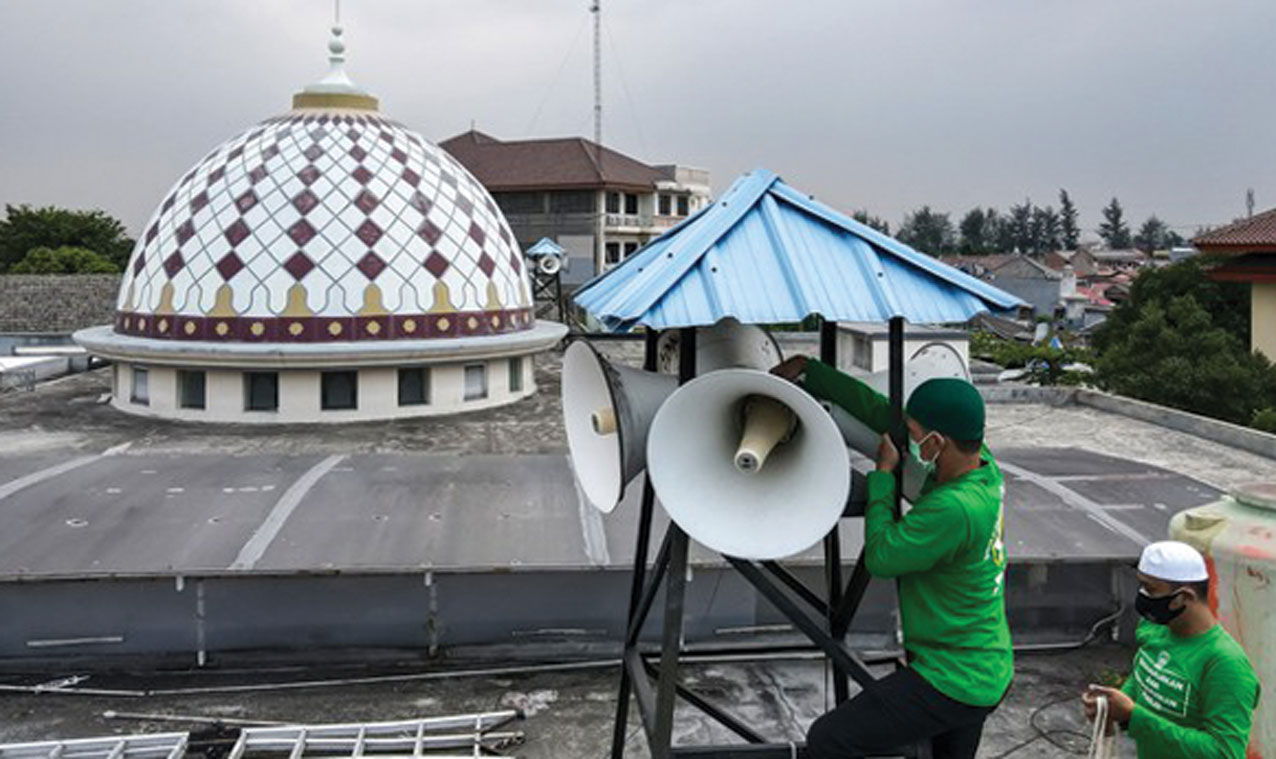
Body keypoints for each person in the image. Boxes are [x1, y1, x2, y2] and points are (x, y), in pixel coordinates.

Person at [772, 355, 1012, 759]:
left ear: (937, 442)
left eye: (916, 435)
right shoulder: (983, 466)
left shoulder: (955, 508)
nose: (908, 440)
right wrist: (810, 370)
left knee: (830, 739)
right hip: (986, 666)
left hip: (951, 677)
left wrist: (882, 476)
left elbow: (881, 557)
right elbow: (879, 411)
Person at [1082, 540, 1260, 759]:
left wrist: (1134, 716)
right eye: (1141, 585)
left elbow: (1225, 753)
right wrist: (1113, 705)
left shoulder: (1224, 663)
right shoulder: (1155, 627)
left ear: (1183, 597)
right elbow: (1144, 678)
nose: (1142, 595)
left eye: (1151, 589)